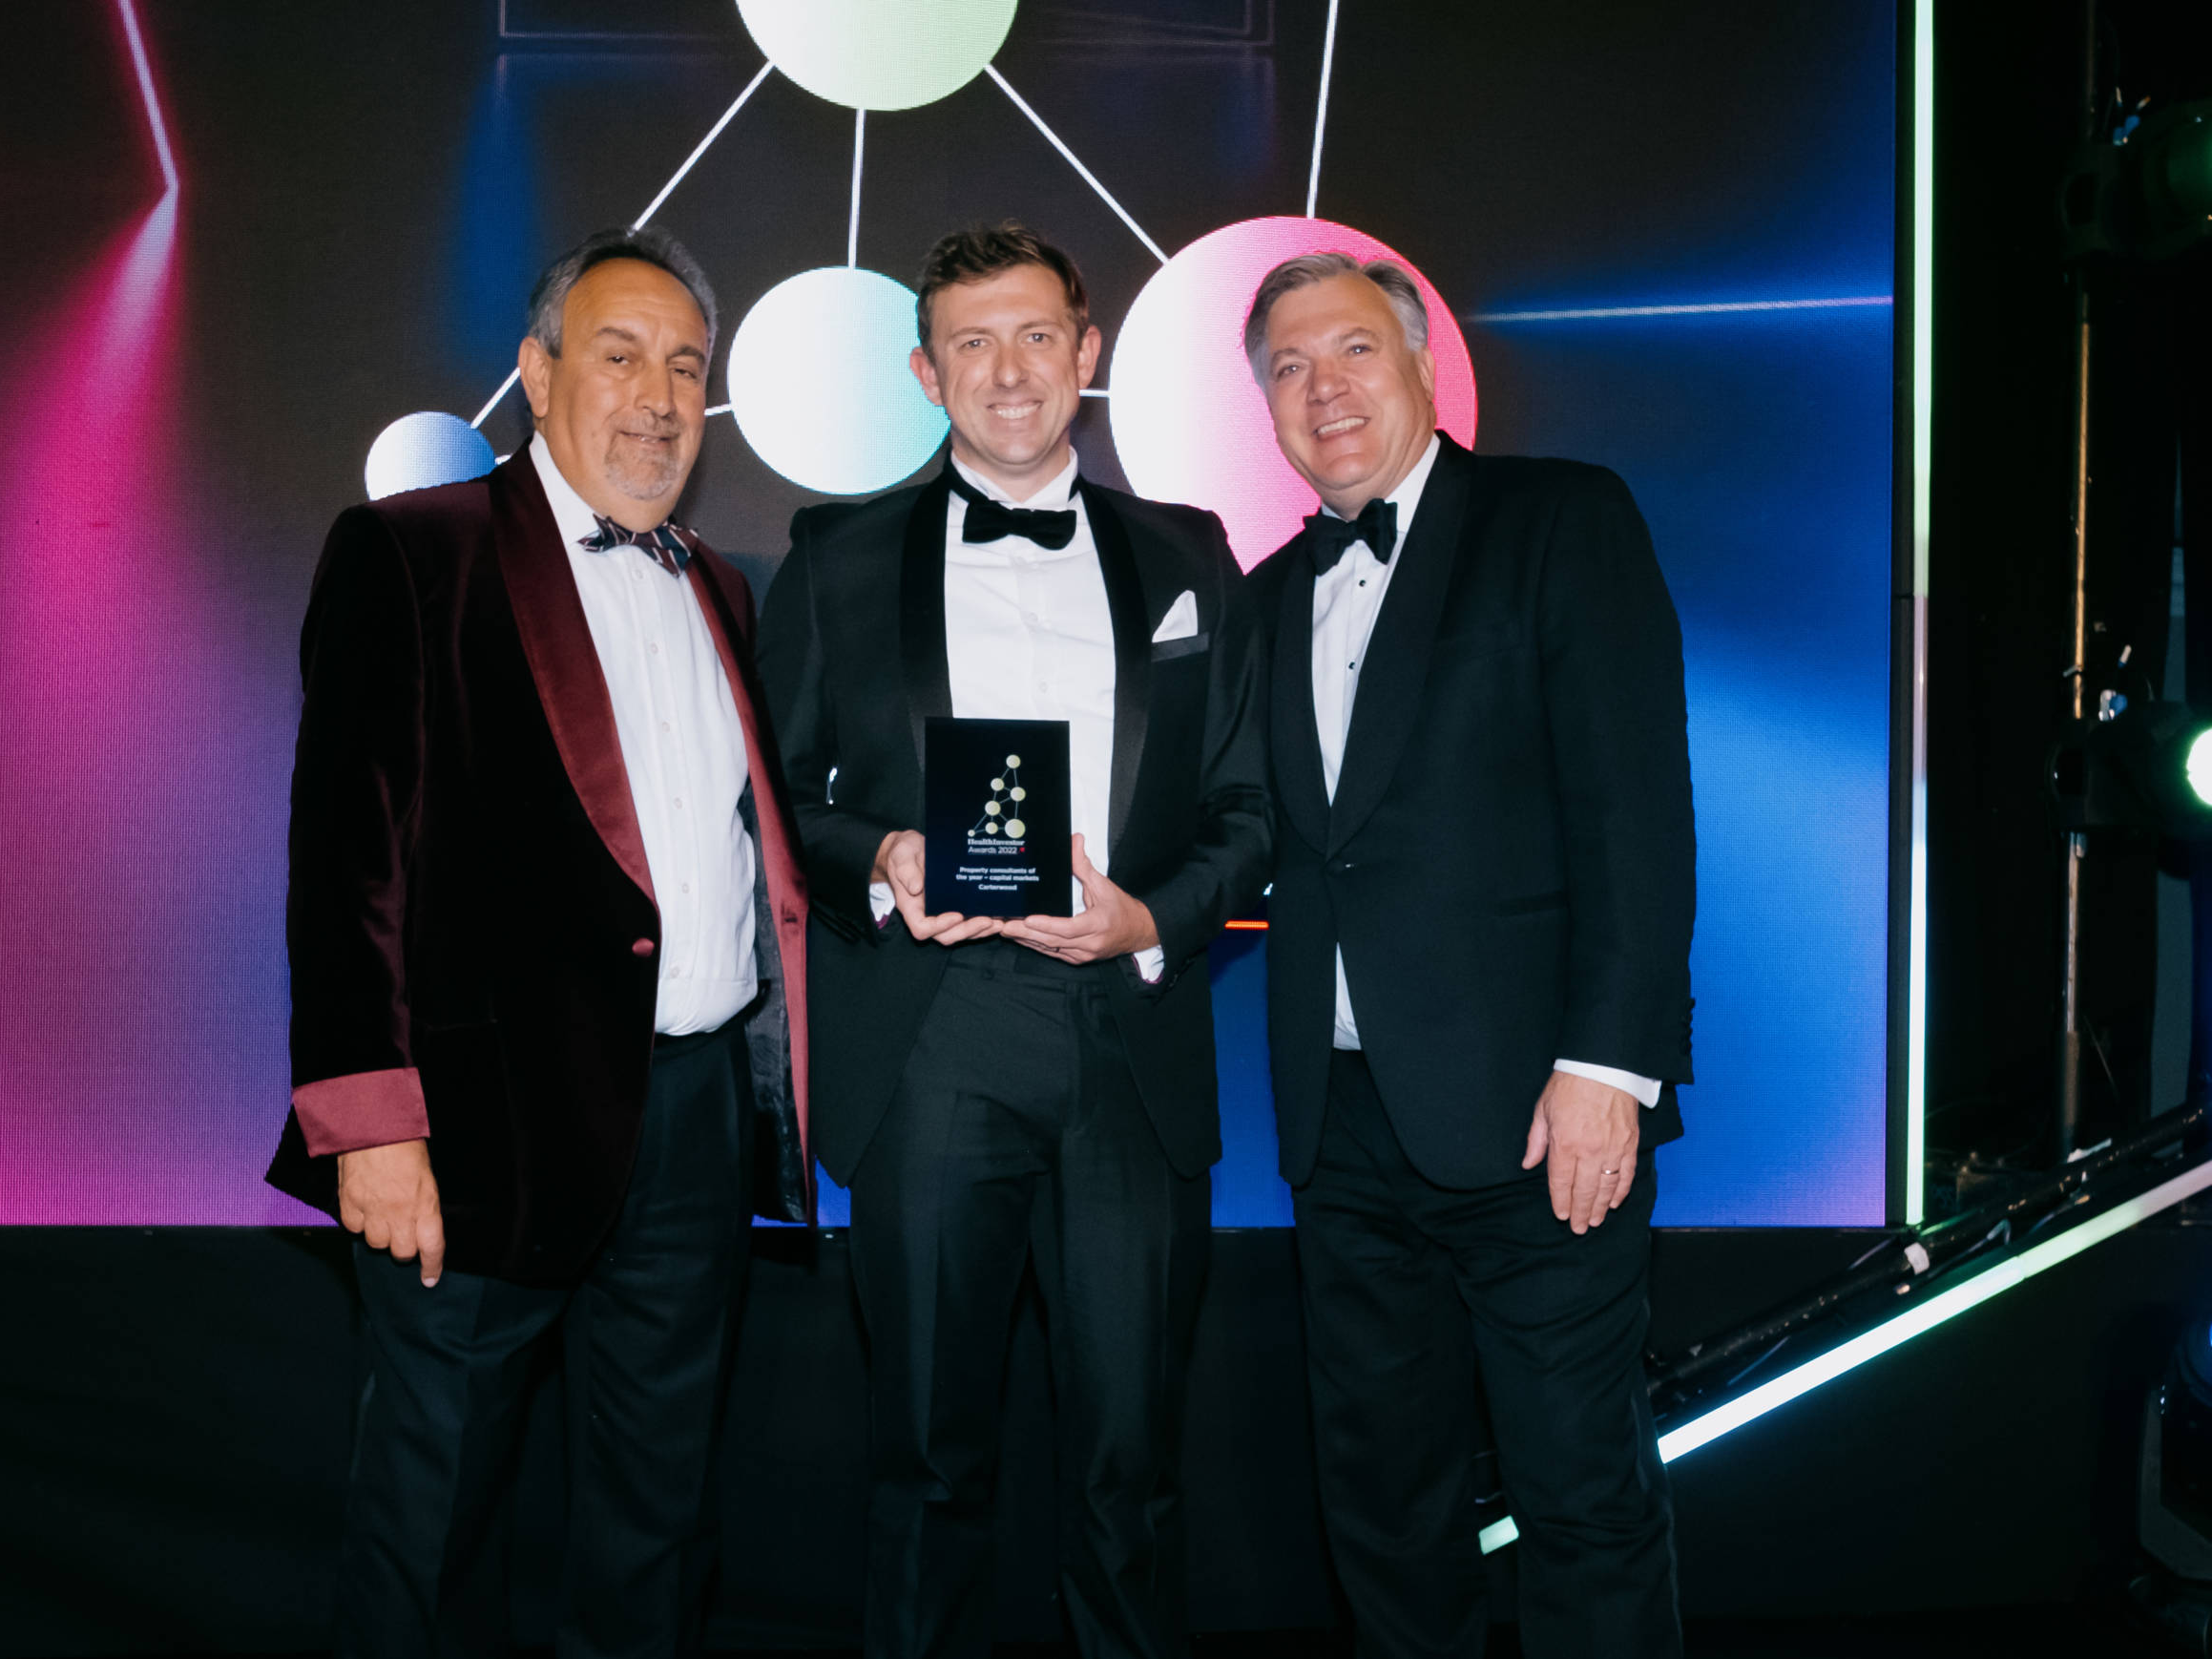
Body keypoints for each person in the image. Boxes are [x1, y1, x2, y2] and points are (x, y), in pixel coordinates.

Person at [264, 226, 810, 1659]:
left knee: (656, 1514)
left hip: (691, 1129)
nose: (658, 396)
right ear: (537, 370)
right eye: (620, 355)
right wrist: (368, 1120)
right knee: (432, 1515)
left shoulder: (722, 587)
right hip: (474, 1130)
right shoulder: (412, 551)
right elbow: (344, 860)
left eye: (686, 367)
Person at [757, 221, 1269, 1659]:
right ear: (926, 372)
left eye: (1035, 334)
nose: (1007, 369)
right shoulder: (839, 554)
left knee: (1129, 1466)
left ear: (1088, 352)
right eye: (970, 342)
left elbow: (1250, 806)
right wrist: (884, 857)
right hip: (931, 1040)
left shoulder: (1190, 553)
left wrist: (1150, 917)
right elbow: (780, 795)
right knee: (927, 1460)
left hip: (1131, 1039)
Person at [1242, 250, 1695, 1657]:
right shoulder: (1264, 595)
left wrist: (1609, 1064)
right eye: (1289, 368)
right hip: (1340, 1129)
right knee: (1382, 1510)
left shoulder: (1561, 518)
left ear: (1427, 366)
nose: (1326, 390)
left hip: (1536, 1116)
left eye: (1354, 351)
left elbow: (1634, 809)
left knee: (1579, 1495)